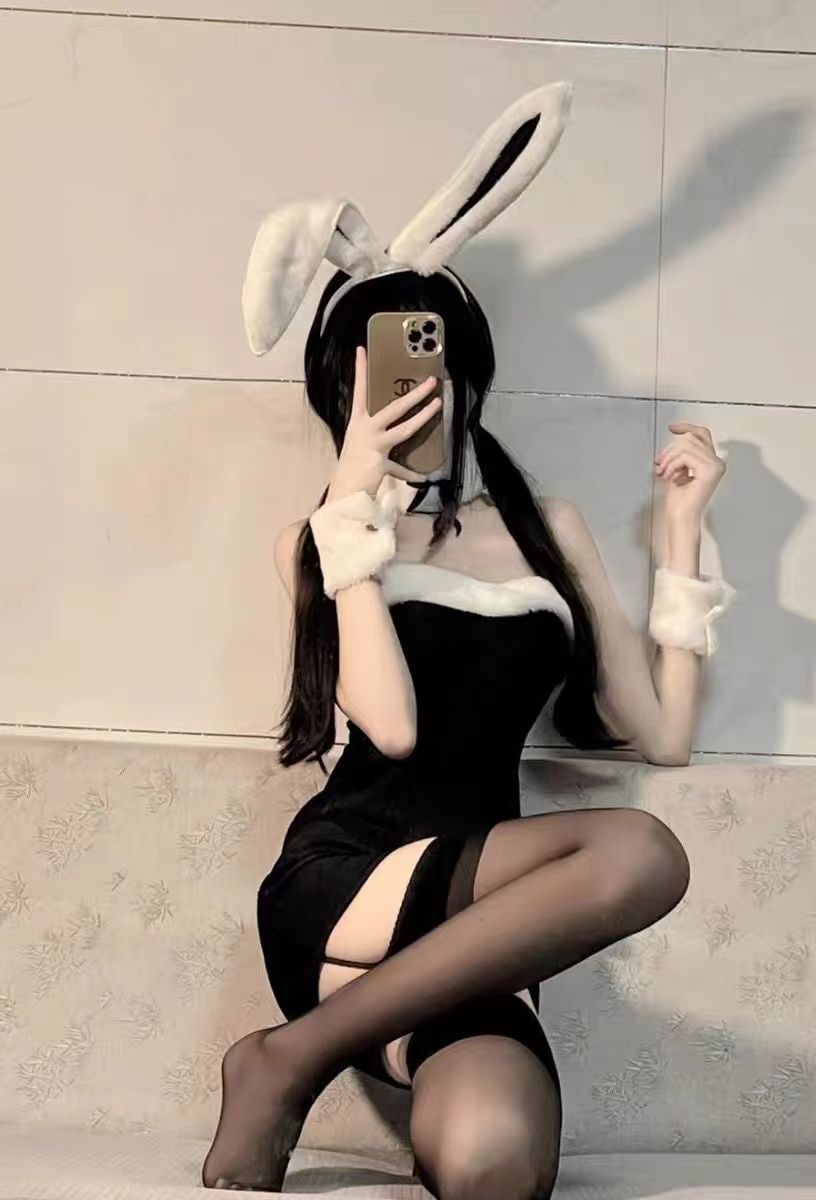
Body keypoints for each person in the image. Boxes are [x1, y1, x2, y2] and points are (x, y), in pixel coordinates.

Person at [202, 83, 736, 1195]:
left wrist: (683, 532)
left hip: (482, 926)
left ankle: (290, 1056)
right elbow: (391, 730)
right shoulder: (317, 541)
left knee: (498, 1165)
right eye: (384, 362)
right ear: (341, 381)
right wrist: (355, 504)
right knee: (637, 854)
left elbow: (662, 738)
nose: (418, 383)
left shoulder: (547, 531)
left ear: (466, 364)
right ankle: (290, 1058)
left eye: (430, 353)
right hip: (349, 889)